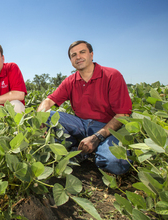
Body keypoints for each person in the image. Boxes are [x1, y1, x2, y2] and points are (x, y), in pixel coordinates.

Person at [37, 40, 132, 175]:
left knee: (117, 164)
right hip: (80, 124)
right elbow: (49, 101)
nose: (78, 57)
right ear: (71, 60)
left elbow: (123, 114)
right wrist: (39, 120)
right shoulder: (70, 81)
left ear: (91, 55)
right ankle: (80, 148)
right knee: (48, 115)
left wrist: (96, 137)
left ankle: (89, 151)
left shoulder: (112, 75)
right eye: (73, 55)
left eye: (82, 52)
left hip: (108, 127)